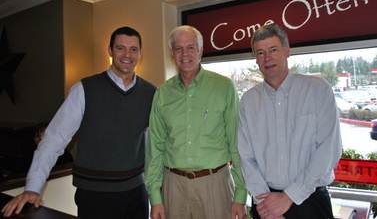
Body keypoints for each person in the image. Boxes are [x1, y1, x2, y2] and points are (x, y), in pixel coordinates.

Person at [1, 26, 156, 219]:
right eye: (120, 48)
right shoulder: (84, 89)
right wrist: (33, 188)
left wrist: (156, 196)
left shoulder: (151, 93)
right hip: (94, 195)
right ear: (110, 50)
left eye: (133, 49)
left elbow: (156, 146)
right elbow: (54, 139)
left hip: (135, 193)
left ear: (140, 53)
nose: (127, 54)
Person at [237, 23, 342, 219]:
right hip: (265, 202)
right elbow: (246, 156)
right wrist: (265, 204)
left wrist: (288, 197)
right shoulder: (248, 101)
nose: (267, 57)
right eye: (260, 53)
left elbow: (329, 150)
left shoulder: (318, 90)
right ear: (256, 60)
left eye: (273, 49)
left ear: (287, 51)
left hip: (310, 201)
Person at [145, 25, 247, 219]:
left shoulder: (224, 87)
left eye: (191, 47)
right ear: (172, 54)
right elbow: (155, 149)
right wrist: (155, 198)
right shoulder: (162, 93)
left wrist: (241, 194)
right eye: (179, 49)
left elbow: (237, 143)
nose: (185, 54)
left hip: (215, 185)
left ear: (200, 50)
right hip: (173, 187)